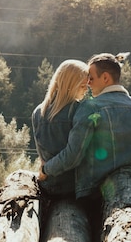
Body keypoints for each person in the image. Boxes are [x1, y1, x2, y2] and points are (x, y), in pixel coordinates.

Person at [38, 52, 131, 237]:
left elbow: (73, 155)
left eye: (91, 78)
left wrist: (46, 169)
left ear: (105, 77)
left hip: (95, 196)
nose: (88, 83)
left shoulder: (91, 108)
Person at [31, 59, 89, 198]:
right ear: (72, 84)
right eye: (83, 85)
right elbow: (74, 156)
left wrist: (45, 170)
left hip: (48, 186)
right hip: (74, 188)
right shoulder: (79, 110)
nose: (86, 90)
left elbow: (42, 154)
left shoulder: (38, 111)